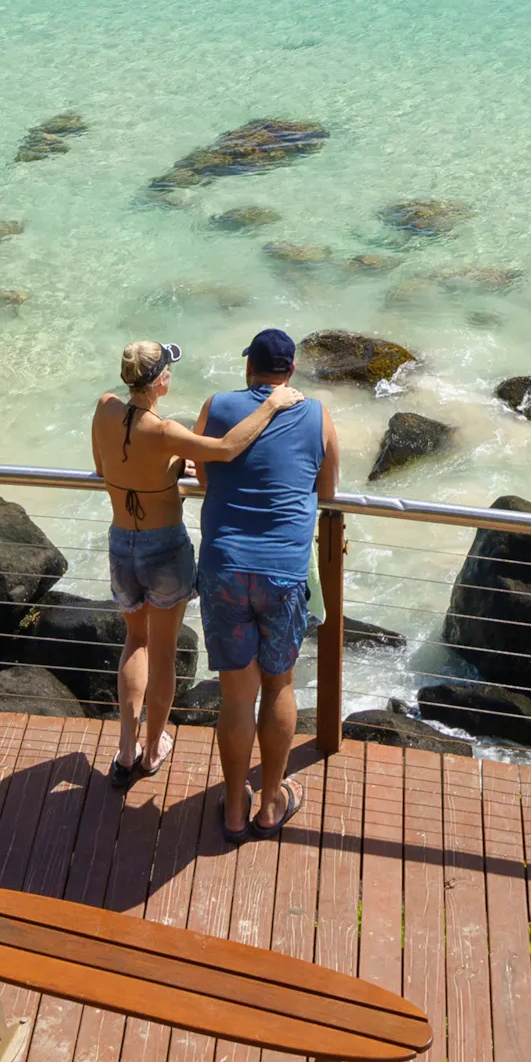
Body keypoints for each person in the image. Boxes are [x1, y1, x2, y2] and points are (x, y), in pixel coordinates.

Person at [88, 339, 300, 786]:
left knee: (135, 642)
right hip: (163, 547)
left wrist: (165, 465)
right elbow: (224, 449)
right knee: (163, 651)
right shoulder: (165, 431)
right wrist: (272, 405)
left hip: (120, 541)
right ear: (161, 380)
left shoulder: (105, 408)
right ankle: (151, 750)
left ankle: (125, 750)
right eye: (168, 370)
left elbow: (103, 464)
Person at [192, 326, 337, 841]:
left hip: (225, 567)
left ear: (248, 365)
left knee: (236, 697)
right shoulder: (318, 415)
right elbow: (327, 489)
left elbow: (205, 477)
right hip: (282, 572)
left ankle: (234, 808)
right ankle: (271, 802)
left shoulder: (217, 405)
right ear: (291, 371)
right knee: (279, 686)